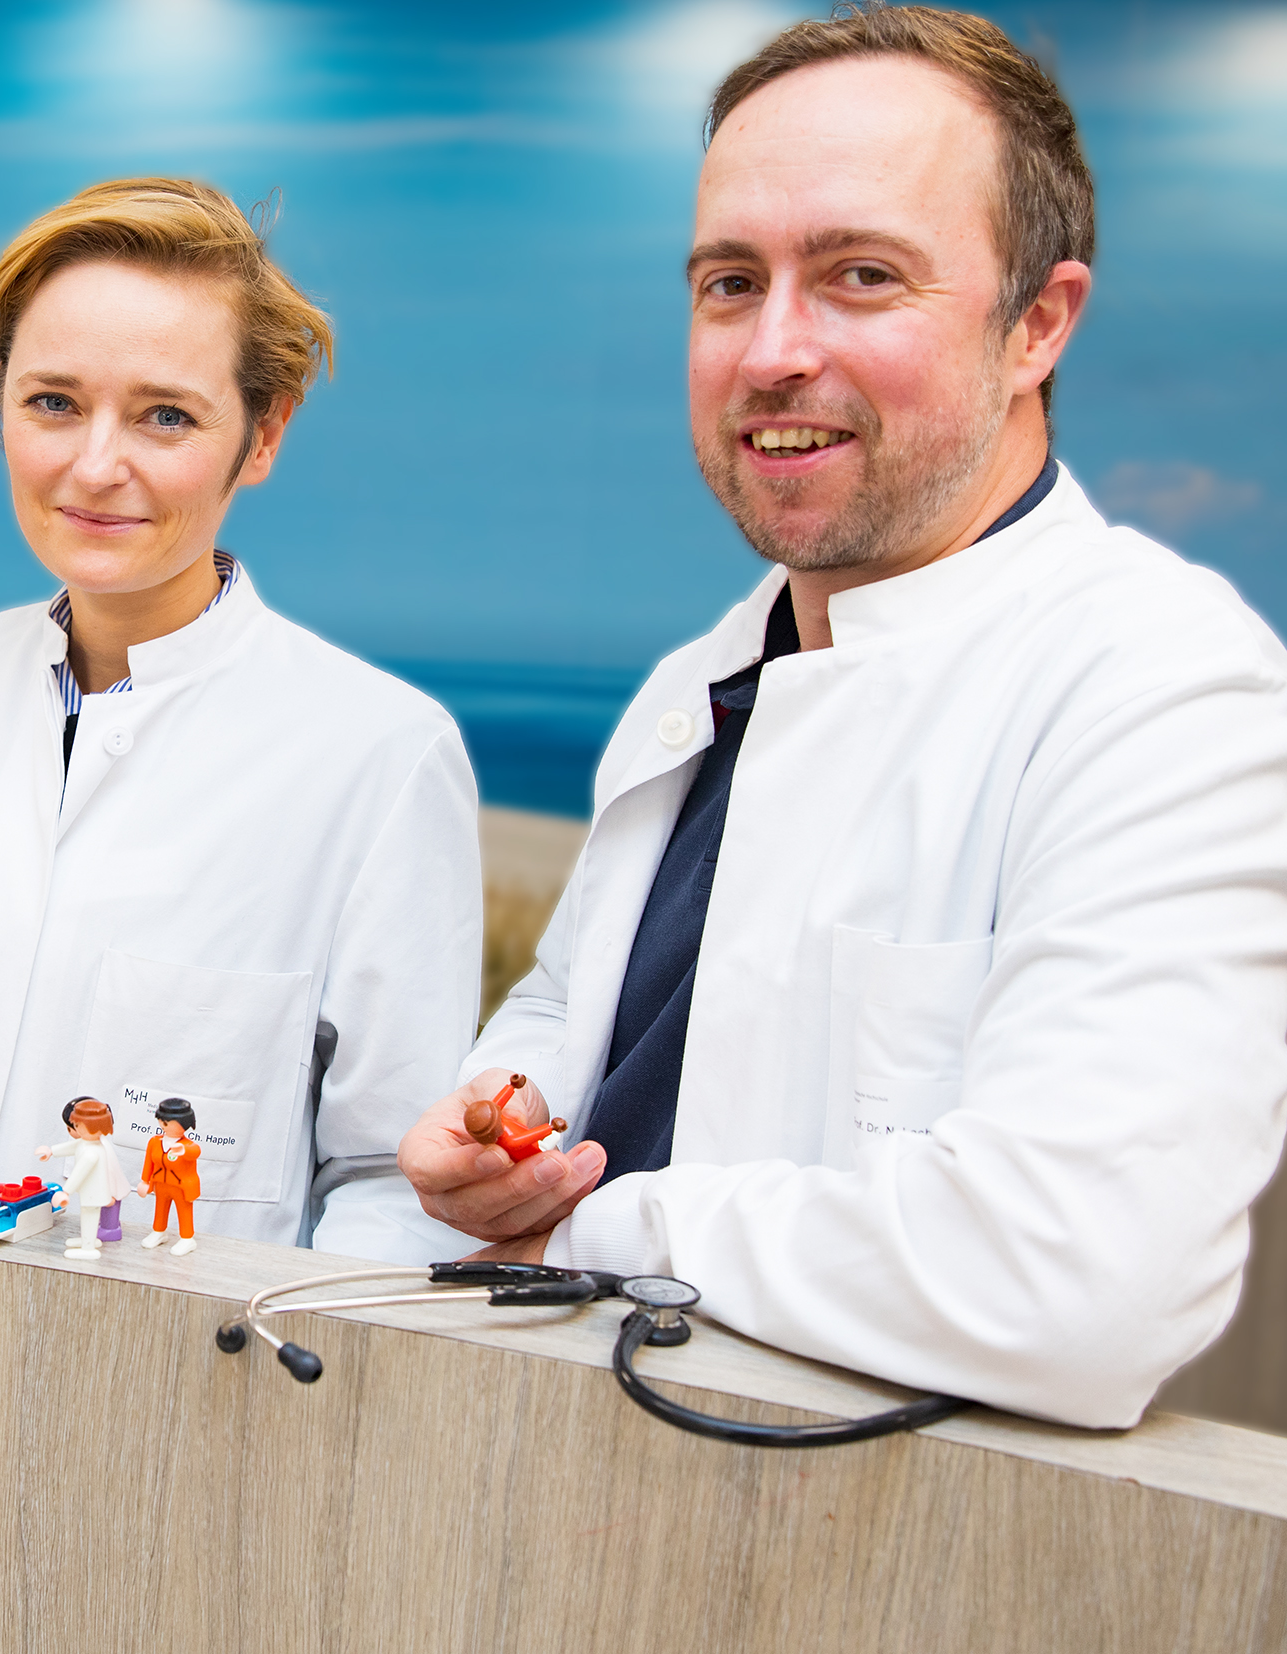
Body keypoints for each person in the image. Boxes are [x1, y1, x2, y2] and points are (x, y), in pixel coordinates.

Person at [397, 7, 1287, 1430]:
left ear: (1037, 324)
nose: (772, 350)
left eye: (861, 275)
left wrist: (595, 1229)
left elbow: (1080, 1281)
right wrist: (493, 1139)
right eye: (730, 282)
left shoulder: (1167, 690)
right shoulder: (700, 679)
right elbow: (574, 1016)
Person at [0, 178, 481, 1254]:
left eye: (165, 415)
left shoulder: (381, 756)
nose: (96, 465)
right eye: (52, 402)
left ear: (262, 436)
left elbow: (390, 1181)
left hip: (178, 1395)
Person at [38, 1096, 122, 1258]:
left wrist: (66, 1191)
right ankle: (87, 1241)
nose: (74, 1128)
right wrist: (52, 1151)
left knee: (90, 1217)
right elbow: (71, 1146)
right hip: (90, 1191)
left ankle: (88, 1248)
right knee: (87, 1216)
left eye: (77, 1125)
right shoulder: (86, 1143)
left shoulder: (92, 1152)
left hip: (95, 1192)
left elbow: (78, 1174)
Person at [137, 1098, 203, 1255]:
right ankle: (159, 1231)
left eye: (167, 1122)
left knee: (184, 1211)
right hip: (161, 1183)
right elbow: (149, 1163)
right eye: (161, 1120)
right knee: (160, 1208)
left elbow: (195, 1150)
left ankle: (187, 1238)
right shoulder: (154, 1142)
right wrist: (144, 1181)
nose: (162, 1124)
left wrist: (183, 1150)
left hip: (181, 1186)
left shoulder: (186, 1145)